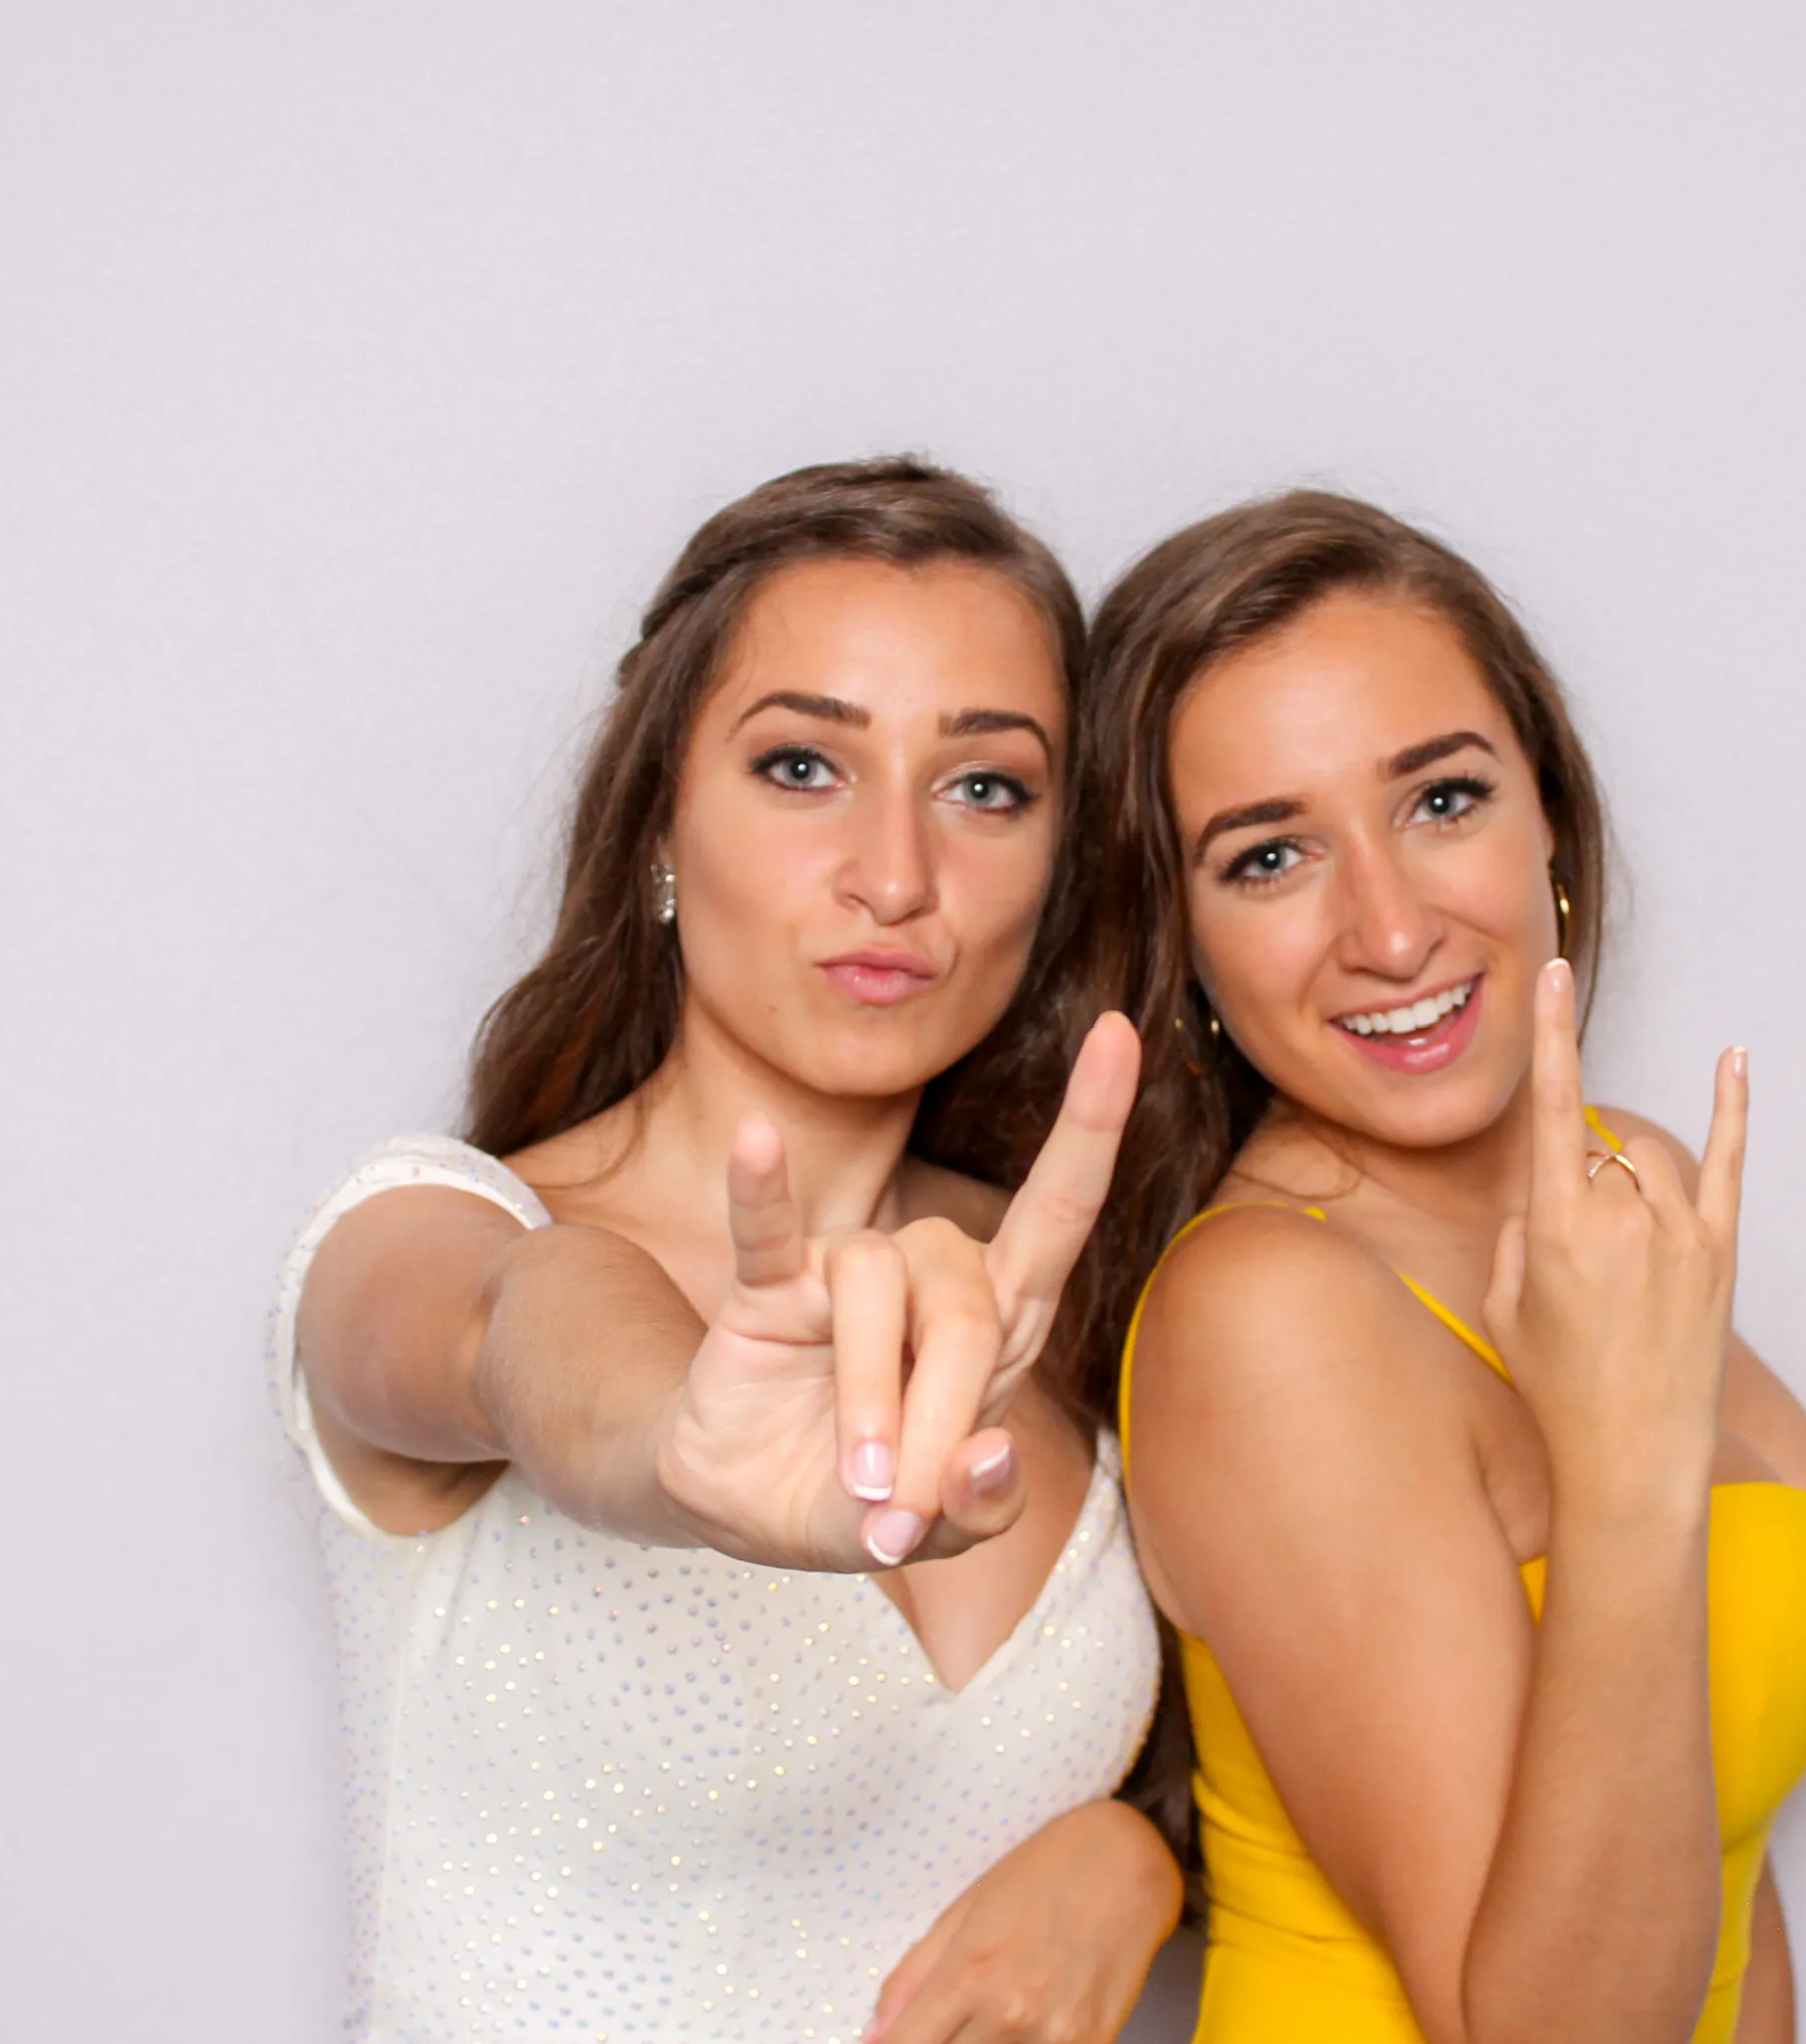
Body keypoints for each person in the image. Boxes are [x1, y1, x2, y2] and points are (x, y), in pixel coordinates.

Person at [270, 458, 1177, 2043]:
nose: (896, 876)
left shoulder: (1047, 1280)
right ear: (658, 829)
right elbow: (524, 1327)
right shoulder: (434, 1235)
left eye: (985, 787)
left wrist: (1141, 1858)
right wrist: (669, 1442)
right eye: (802, 766)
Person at [1062, 492, 1806, 2044]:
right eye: (1268, 857)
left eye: (1442, 800)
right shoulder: (1269, 1318)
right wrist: (1623, 1480)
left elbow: (1725, 1845)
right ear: (1181, 942)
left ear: (1548, 816)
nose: (1390, 931)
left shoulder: (1623, 1182)